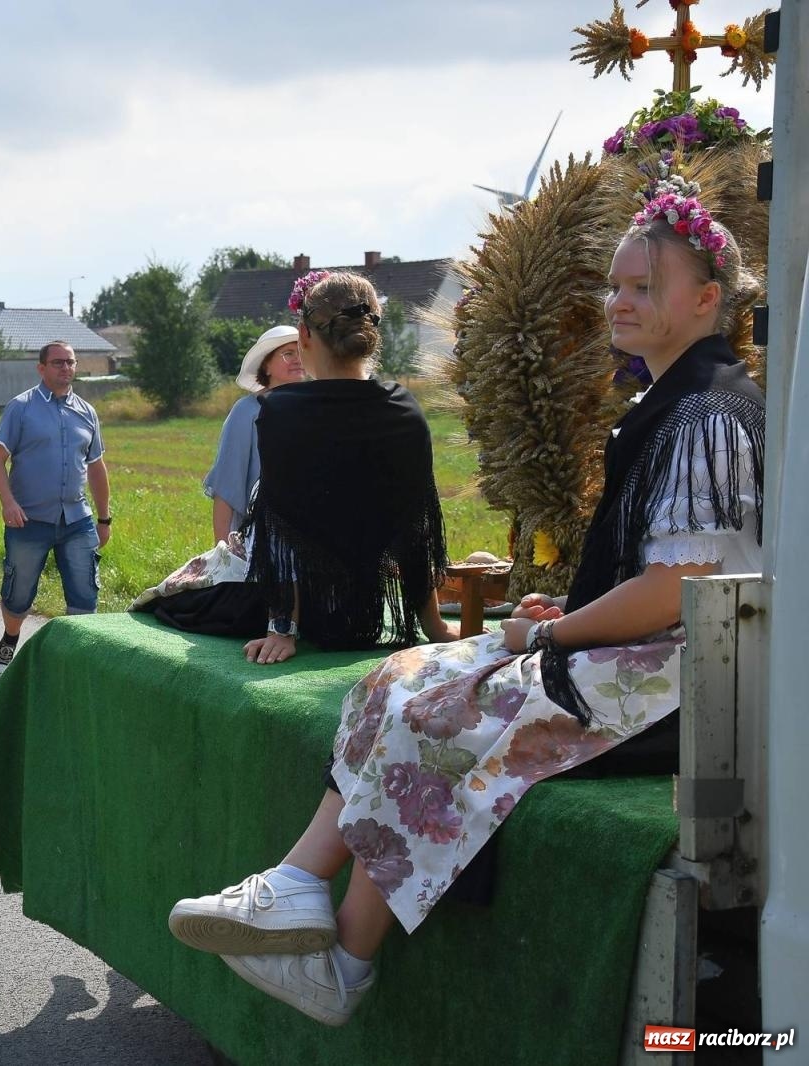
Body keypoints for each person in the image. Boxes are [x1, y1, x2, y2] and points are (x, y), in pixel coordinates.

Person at [166, 196, 765, 1026]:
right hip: (650, 652)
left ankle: (345, 959)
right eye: (616, 285)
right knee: (399, 675)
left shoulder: (706, 414)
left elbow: (677, 592)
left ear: (709, 298)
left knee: (440, 712)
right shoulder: (680, 402)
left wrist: (549, 631)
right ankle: (300, 884)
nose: (619, 302)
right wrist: (573, 607)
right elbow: (664, 571)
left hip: (679, 682)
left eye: (644, 286)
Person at [237, 271, 453, 668]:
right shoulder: (405, 410)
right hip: (372, 609)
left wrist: (282, 628)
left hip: (307, 612)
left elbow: (281, 526)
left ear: (304, 335)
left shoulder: (280, 413)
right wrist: (434, 625)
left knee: (183, 595)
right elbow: (416, 528)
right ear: (373, 336)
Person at [0, 341, 111, 676]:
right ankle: (10, 638)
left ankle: (76, 659)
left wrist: (104, 518)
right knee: (18, 593)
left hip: (77, 520)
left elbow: (97, 467)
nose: (65, 368)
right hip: (28, 520)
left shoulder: (86, 411)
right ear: (41, 368)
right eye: (58, 363)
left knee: (85, 592)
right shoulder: (20, 408)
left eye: (70, 362)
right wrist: (7, 503)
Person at [204, 325, 303, 545]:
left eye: (301, 352)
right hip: (261, 537)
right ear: (265, 366)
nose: (297, 359)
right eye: (288, 353)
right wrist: (221, 550)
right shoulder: (247, 411)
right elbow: (228, 482)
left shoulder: (314, 408)